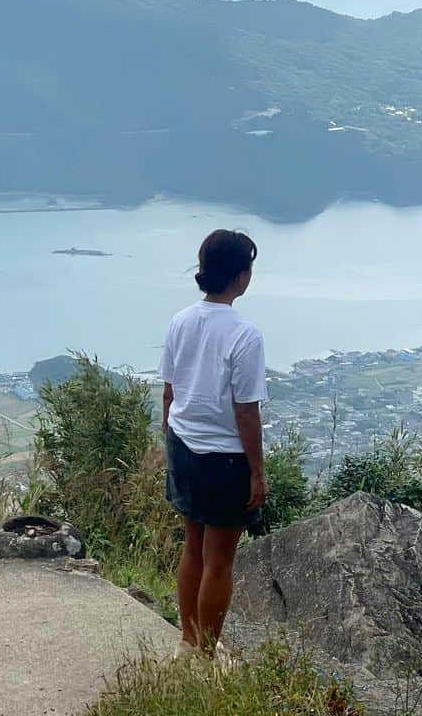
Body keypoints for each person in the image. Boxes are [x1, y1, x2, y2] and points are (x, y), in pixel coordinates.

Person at [159, 229, 268, 659]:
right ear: (241, 277)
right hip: (225, 458)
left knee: (192, 547)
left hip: (183, 444)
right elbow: (246, 411)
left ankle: (187, 643)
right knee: (219, 559)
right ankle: (206, 655)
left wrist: (169, 437)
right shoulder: (245, 334)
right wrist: (257, 472)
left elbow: (170, 391)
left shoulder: (181, 320)